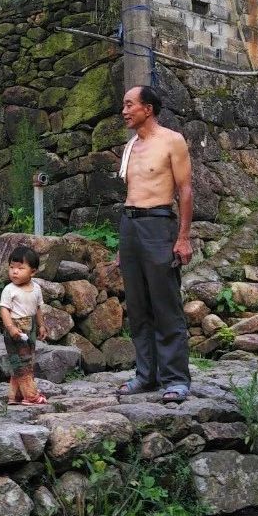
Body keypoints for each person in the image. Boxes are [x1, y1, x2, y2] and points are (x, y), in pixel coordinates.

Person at [117, 84, 194, 403]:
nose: (124, 111)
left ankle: (175, 378)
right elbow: (130, 192)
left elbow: (185, 190)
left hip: (159, 224)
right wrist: (123, 244)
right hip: (130, 225)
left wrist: (184, 236)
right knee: (137, 305)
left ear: (147, 108)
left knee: (165, 304)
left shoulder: (172, 141)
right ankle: (145, 375)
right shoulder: (131, 146)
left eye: (129, 104)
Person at [0, 245, 47, 406]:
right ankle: (31, 396)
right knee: (23, 363)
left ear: (32, 272)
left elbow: (38, 308)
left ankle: (15, 396)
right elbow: (4, 310)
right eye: (12, 267)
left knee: (24, 362)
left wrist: (41, 326)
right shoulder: (9, 290)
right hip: (15, 328)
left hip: (31, 326)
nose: (14, 271)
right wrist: (11, 327)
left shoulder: (36, 288)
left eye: (20, 268)